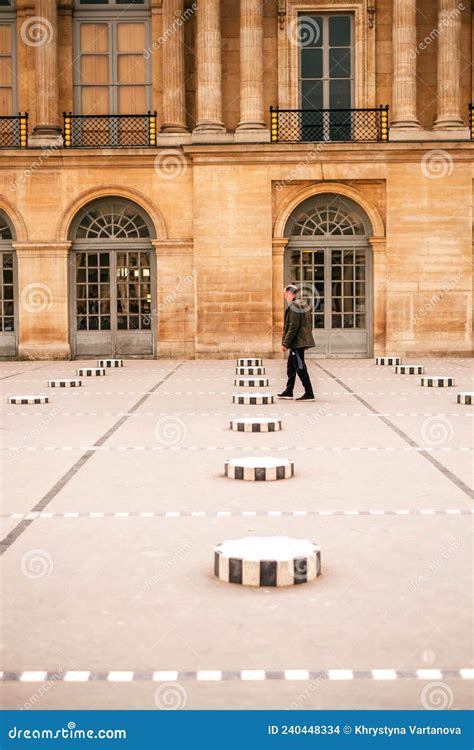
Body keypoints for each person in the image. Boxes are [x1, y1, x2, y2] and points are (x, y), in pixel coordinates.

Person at [278, 284, 316, 401]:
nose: (285, 297)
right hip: (299, 342)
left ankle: (309, 393)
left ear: (290, 294)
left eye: (285, 294)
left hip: (296, 343)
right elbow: (308, 325)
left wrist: (285, 343)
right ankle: (289, 391)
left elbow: (293, 326)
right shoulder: (303, 304)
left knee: (300, 367)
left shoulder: (294, 306)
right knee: (291, 366)